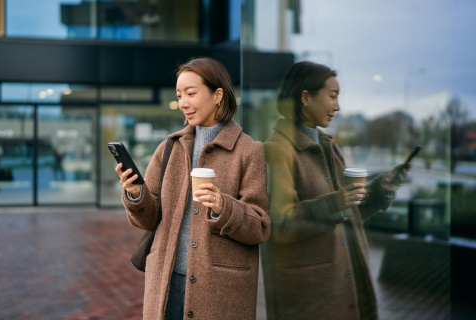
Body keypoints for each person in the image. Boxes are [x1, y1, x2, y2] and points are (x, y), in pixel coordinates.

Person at [115, 57, 270, 320]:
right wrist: (135, 193)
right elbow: (150, 218)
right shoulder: (169, 148)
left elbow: (260, 227)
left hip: (220, 290)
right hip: (166, 282)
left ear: (218, 95)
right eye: (179, 94)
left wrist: (224, 207)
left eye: (191, 93)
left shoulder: (249, 151)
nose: (183, 102)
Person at [261, 61, 410, 320]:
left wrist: (380, 188)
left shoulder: (328, 147)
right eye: (332, 96)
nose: (338, 106)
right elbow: (281, 226)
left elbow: (346, 214)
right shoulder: (277, 150)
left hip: (340, 281)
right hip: (310, 294)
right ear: (305, 97)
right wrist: (335, 203)